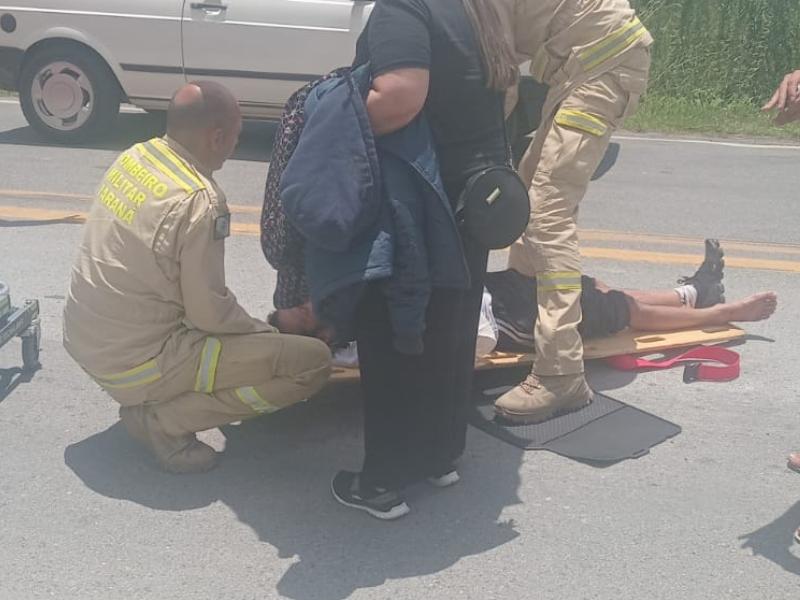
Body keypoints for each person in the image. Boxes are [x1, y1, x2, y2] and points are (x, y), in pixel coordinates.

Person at [63, 81, 331, 474]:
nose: (236, 146)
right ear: (217, 136)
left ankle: (156, 402)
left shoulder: (136, 157)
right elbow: (210, 314)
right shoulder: (200, 201)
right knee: (312, 363)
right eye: (235, 138)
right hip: (137, 363)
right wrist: (270, 334)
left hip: (84, 339)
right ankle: (163, 423)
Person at [320, 0, 520, 520]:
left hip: (418, 197)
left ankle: (381, 480)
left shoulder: (405, 6)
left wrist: (328, 117)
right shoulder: (477, 7)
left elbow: (401, 96)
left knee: (393, 333)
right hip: (471, 197)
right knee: (450, 331)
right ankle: (439, 455)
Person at [493, 0, 653, 424]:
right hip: (581, 70)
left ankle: (560, 372)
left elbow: (500, 78)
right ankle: (528, 312)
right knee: (528, 193)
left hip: (601, 68)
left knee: (547, 213)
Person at [272, 240, 778, 364]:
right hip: (509, 320)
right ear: (323, 334)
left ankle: (694, 292)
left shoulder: (350, 304)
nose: (310, 302)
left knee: (593, 287)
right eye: (305, 312)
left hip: (495, 291)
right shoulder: (358, 343)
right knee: (618, 311)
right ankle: (721, 312)